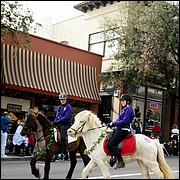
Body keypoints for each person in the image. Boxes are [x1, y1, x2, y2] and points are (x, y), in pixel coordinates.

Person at [107, 93, 135, 169]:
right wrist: (112, 125)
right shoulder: (124, 110)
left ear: (128, 102)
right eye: (121, 101)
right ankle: (114, 157)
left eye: (123, 101)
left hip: (124, 130)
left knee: (111, 144)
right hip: (119, 128)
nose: (121, 102)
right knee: (108, 141)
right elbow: (119, 120)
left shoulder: (129, 109)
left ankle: (120, 161)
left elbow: (124, 121)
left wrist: (113, 123)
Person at [53, 92, 73, 161]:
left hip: (65, 124)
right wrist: (54, 122)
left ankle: (65, 153)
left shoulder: (68, 107)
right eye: (61, 99)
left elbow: (66, 117)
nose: (62, 100)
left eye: (63, 99)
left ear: (66, 99)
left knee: (63, 138)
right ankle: (56, 152)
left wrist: (57, 121)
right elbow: (57, 115)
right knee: (54, 137)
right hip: (58, 124)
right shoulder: (60, 107)